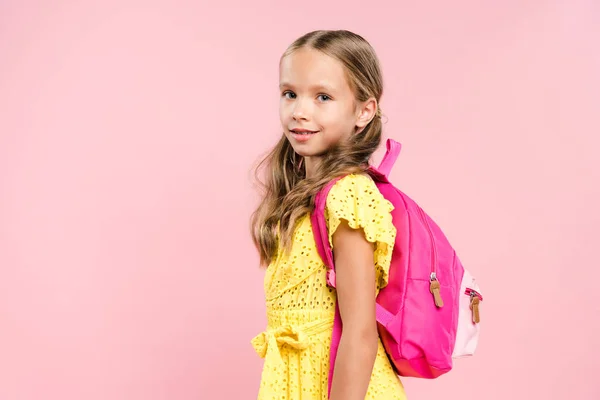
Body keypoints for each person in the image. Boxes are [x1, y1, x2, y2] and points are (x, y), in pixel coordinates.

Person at [250, 29, 407, 400]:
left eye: (323, 97)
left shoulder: (347, 194)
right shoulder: (302, 195)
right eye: (290, 94)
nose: (300, 111)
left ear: (364, 111)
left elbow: (360, 331)